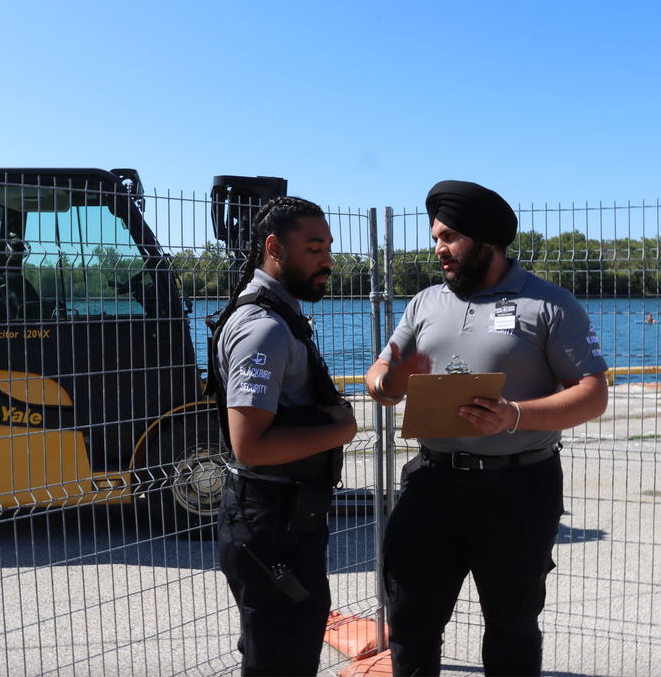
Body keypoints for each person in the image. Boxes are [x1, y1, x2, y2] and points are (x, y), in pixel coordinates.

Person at [366, 180, 609, 677]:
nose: (439, 249)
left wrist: (514, 415)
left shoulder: (550, 304)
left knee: (511, 628)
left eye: (450, 237)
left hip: (518, 489)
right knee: (409, 620)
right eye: (436, 238)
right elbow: (381, 373)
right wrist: (387, 382)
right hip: (431, 482)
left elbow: (592, 393)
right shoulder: (425, 303)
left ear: (489, 239)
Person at [208, 196, 358, 676]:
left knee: (282, 650)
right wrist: (341, 429)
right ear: (274, 248)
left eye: (329, 247)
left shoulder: (281, 315)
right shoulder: (265, 330)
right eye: (314, 249)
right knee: (281, 658)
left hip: (284, 518)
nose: (327, 260)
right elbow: (249, 445)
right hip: (272, 521)